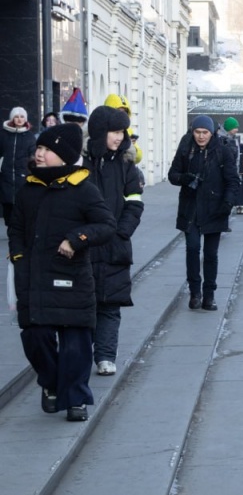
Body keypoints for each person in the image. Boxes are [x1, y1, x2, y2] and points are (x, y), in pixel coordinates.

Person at [8, 123, 116, 421]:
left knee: (76, 344)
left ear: (63, 156)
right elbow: (15, 227)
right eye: (39, 149)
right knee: (35, 338)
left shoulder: (83, 189)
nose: (39, 154)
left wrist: (76, 239)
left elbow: (106, 226)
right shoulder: (28, 189)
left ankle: (76, 397)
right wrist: (18, 255)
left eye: (47, 150)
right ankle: (51, 382)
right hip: (34, 278)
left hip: (71, 278)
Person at [82, 105, 145, 376]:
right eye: (114, 131)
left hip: (115, 243)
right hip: (84, 243)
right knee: (85, 302)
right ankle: (84, 352)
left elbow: (134, 202)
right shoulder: (81, 164)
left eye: (122, 131)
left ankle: (105, 355)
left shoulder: (126, 165)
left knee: (110, 302)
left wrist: (122, 231)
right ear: (99, 132)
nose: (119, 137)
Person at [167, 115, 241, 311]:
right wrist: (186, 178)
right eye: (197, 132)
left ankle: (209, 295)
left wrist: (228, 202)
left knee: (211, 254)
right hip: (190, 208)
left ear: (211, 133)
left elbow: (233, 180)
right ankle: (195, 293)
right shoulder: (186, 149)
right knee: (192, 250)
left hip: (215, 208)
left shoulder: (222, 151)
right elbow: (172, 175)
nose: (200, 136)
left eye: (204, 133)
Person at [0, 106, 35, 224]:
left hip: (23, 175)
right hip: (6, 175)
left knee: (22, 205)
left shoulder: (30, 136)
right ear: (12, 119)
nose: (19, 119)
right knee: (7, 205)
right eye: (16, 117)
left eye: (22, 117)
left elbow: (33, 155)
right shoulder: (4, 135)